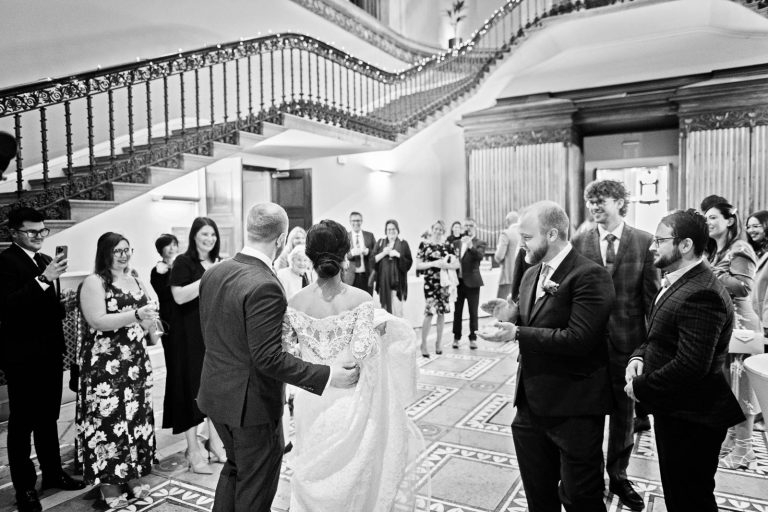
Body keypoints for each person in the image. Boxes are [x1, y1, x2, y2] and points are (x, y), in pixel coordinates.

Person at [197, 203, 360, 512]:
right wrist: (327, 375)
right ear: (282, 239)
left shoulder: (215, 272)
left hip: (215, 395)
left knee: (235, 468)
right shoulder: (264, 284)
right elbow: (268, 358)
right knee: (256, 485)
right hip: (251, 407)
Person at [479, 201, 615, 512]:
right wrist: (512, 315)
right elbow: (536, 320)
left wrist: (517, 334)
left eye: (527, 237)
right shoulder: (530, 274)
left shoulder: (590, 275)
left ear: (552, 234)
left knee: (583, 499)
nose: (521, 244)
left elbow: (579, 339)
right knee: (539, 499)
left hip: (574, 407)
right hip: (530, 405)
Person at [285, 219, 424, 511]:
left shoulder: (295, 302)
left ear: (309, 256)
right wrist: (381, 333)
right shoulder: (362, 300)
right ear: (346, 254)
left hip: (311, 401)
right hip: (350, 404)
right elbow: (363, 352)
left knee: (312, 471)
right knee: (353, 485)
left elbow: (288, 356)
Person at [624, 209, 745, 512]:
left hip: (694, 417)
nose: (653, 246)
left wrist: (642, 387)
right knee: (679, 495)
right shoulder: (679, 280)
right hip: (677, 410)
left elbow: (692, 365)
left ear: (685, 245)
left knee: (692, 500)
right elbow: (659, 335)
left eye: (660, 240)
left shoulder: (702, 292)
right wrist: (639, 356)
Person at [571, 179, 659, 511]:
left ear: (620, 202)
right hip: (589, 347)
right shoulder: (579, 241)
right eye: (590, 201)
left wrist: (648, 349)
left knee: (624, 416)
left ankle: (618, 475)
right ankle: (590, 475)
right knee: (590, 412)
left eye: (601, 200)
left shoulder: (644, 242)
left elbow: (651, 301)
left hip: (627, 344)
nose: (594, 206)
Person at [0, 207, 85, 512]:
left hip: (50, 353)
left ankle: (52, 473)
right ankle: (24, 488)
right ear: (14, 233)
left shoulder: (46, 261)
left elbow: (42, 308)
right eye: (32, 232)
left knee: (48, 418)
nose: (39, 236)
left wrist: (60, 303)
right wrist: (43, 280)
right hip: (22, 356)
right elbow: (9, 308)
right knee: (22, 423)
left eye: (43, 231)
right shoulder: (5, 262)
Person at [77, 232, 160, 508]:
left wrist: (151, 324)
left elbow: (149, 315)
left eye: (127, 249)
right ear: (105, 252)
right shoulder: (95, 282)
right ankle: (109, 484)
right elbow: (98, 320)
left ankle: (133, 475)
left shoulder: (136, 279)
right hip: (106, 365)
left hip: (135, 363)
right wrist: (136, 315)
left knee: (135, 422)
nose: (123, 255)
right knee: (108, 422)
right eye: (117, 250)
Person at [702, 200, 762, 468]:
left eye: (713, 217)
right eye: (706, 218)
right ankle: (731, 439)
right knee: (728, 388)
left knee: (742, 389)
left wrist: (709, 273)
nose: (708, 222)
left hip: (743, 327)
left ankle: (745, 450)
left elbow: (744, 287)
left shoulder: (741, 248)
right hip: (727, 325)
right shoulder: (718, 249)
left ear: (729, 221)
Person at [167, 217, 224, 473]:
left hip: (213, 335)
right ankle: (192, 450)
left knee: (213, 390)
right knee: (191, 391)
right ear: (194, 236)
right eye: (204, 234)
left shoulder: (219, 262)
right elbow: (178, 297)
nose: (209, 238)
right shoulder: (183, 262)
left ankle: (215, 442)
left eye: (212, 234)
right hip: (189, 336)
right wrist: (209, 277)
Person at [149, 233, 179, 436]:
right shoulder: (157, 270)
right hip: (169, 319)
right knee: (175, 367)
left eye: (173, 244)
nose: (171, 248)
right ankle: (174, 415)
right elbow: (165, 293)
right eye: (167, 246)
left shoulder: (183, 265)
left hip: (187, 317)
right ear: (161, 250)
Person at [415, 220, 459, 357]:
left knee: (441, 313)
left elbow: (457, 265)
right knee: (429, 313)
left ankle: (438, 343)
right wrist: (435, 263)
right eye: (436, 229)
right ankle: (423, 344)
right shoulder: (424, 245)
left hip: (444, 284)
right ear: (432, 229)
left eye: (441, 229)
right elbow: (418, 265)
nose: (438, 231)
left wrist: (445, 265)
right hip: (430, 283)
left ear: (443, 232)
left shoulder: (448, 246)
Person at [452, 218, 487, 349]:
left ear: (475, 228)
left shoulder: (480, 243)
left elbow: (479, 256)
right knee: (457, 312)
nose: (468, 227)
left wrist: (471, 245)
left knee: (473, 312)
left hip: (473, 283)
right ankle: (456, 337)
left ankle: (473, 338)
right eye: (466, 225)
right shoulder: (456, 243)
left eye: (471, 225)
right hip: (458, 283)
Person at [372, 219, 413, 316]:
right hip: (383, 284)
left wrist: (398, 255)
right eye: (389, 229)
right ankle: (388, 331)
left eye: (393, 229)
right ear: (386, 231)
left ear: (397, 230)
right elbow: (372, 261)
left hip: (397, 285)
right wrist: (383, 253)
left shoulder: (403, 244)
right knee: (385, 313)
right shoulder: (380, 243)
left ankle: (398, 331)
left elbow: (409, 263)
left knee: (398, 312)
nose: (391, 231)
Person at [746, 210, 768, 341]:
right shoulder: (754, 252)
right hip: (754, 319)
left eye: (756, 226)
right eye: (748, 227)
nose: (751, 230)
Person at [343, 211, 376, 293]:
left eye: (358, 220)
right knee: (352, 304)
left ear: (361, 221)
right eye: (353, 221)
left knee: (368, 302)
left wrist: (368, 252)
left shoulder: (369, 235)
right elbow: (342, 256)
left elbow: (376, 254)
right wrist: (352, 253)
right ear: (350, 222)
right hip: (351, 277)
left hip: (367, 276)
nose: (356, 223)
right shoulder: (345, 236)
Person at [494, 211, 520, 299]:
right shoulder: (524, 234)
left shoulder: (506, 233)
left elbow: (499, 256)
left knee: (502, 306)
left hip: (508, 277)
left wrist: (497, 257)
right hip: (522, 276)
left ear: (507, 221)